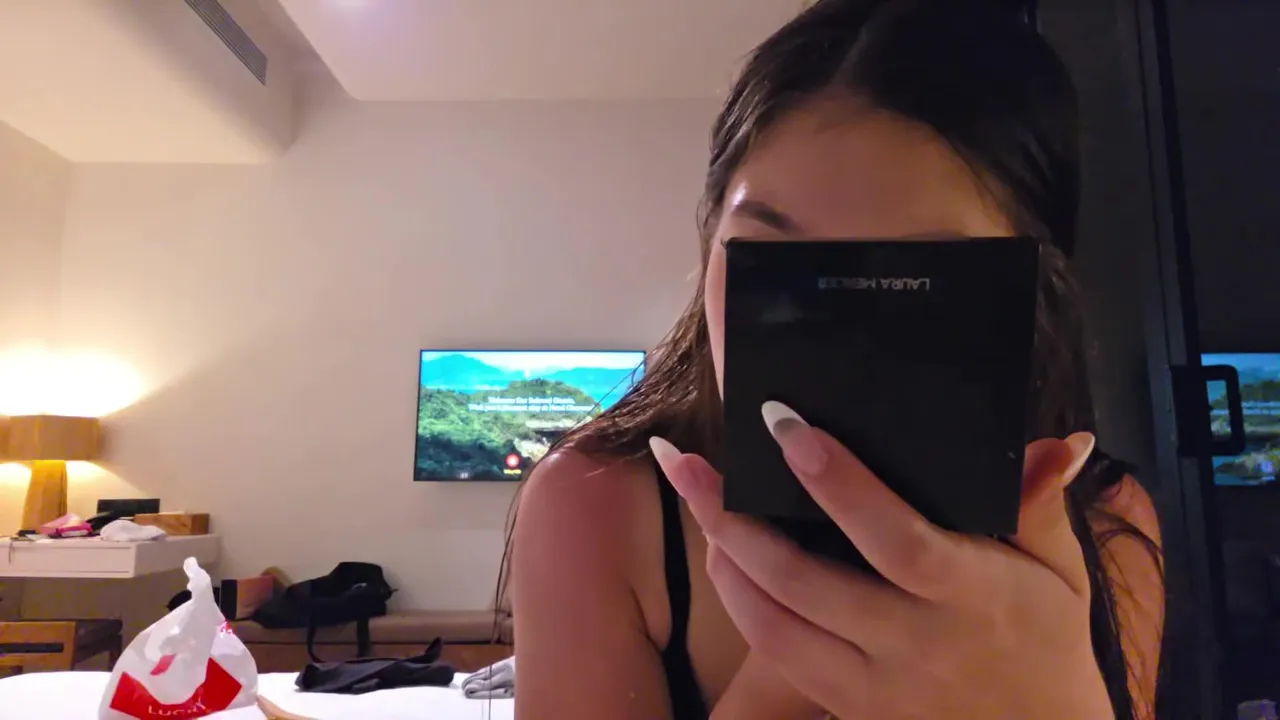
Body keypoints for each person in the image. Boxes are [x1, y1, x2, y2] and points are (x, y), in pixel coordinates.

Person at [508, 1, 1165, 718]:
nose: (833, 335)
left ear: (1033, 290)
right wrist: (798, 659)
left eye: (915, 279)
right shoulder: (596, 505)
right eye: (771, 260)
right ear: (710, 243)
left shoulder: (1102, 516)